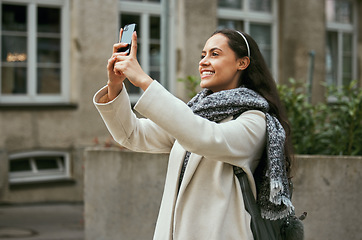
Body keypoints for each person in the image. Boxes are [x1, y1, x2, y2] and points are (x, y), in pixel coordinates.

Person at [93, 28, 295, 240]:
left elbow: (204, 138)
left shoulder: (256, 121)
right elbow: (132, 134)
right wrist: (114, 86)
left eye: (214, 54)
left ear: (242, 63)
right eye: (203, 55)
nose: (204, 61)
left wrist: (144, 81)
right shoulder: (196, 114)